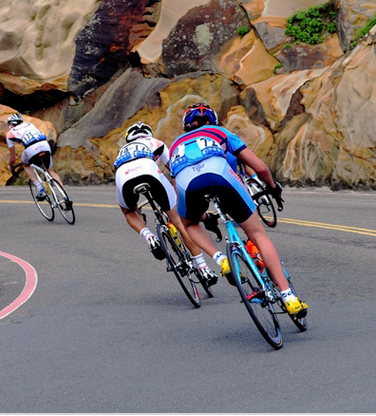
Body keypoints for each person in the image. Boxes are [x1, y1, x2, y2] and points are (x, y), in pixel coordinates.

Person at [169, 103, 307, 318]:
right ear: (213, 120)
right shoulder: (220, 132)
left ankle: (219, 259)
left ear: (186, 125)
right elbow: (259, 167)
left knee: (188, 223)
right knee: (258, 234)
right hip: (221, 175)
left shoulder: (175, 145)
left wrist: (201, 216)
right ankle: (288, 297)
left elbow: (178, 189)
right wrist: (273, 188)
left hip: (188, 183)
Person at [114, 121, 219, 286]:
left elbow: (126, 187)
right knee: (178, 221)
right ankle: (203, 268)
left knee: (127, 211)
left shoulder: (122, 151)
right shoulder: (156, 143)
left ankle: (149, 236)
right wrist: (180, 195)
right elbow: (174, 169)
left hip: (123, 174)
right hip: (149, 170)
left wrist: (136, 212)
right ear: (149, 134)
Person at [6, 113, 70, 208]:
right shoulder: (29, 124)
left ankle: (40, 189)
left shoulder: (10, 134)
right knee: (51, 171)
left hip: (31, 149)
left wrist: (11, 167)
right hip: (45, 144)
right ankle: (65, 196)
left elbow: (12, 158)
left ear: (11, 124)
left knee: (26, 165)